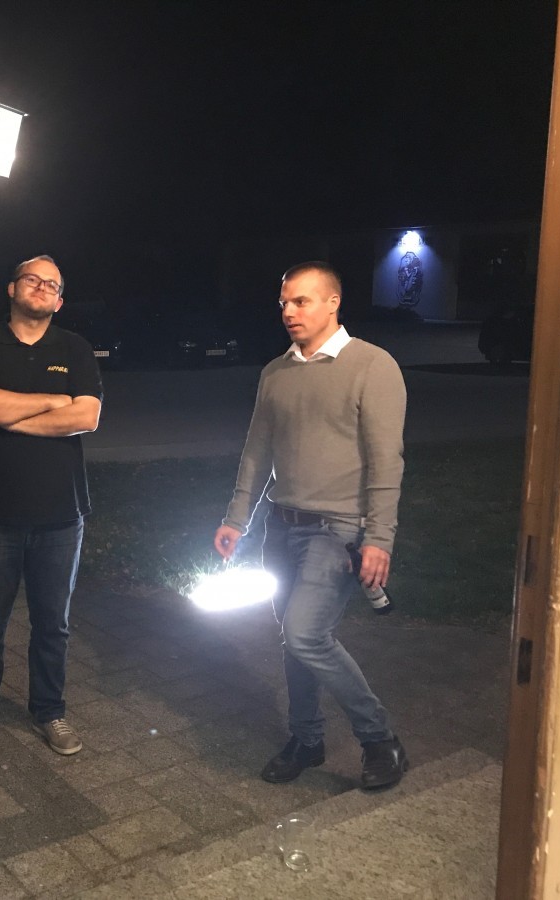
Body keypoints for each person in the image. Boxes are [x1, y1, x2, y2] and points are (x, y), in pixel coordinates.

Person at [213, 261, 409, 790]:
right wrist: (237, 518)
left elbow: (386, 462)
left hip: (337, 530)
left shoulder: (373, 365)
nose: (289, 311)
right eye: (284, 302)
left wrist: (379, 538)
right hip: (281, 527)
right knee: (294, 639)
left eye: (301, 301)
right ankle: (307, 739)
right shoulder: (275, 372)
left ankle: (380, 740)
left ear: (332, 303)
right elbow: (256, 452)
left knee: (305, 633)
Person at [0, 254, 103, 765]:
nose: (41, 288)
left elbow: (87, 416)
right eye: (32, 280)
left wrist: (11, 413)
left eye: (52, 285)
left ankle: (49, 711)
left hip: (62, 515)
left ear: (59, 301)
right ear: (12, 289)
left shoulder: (75, 347)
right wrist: (55, 401)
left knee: (52, 625)